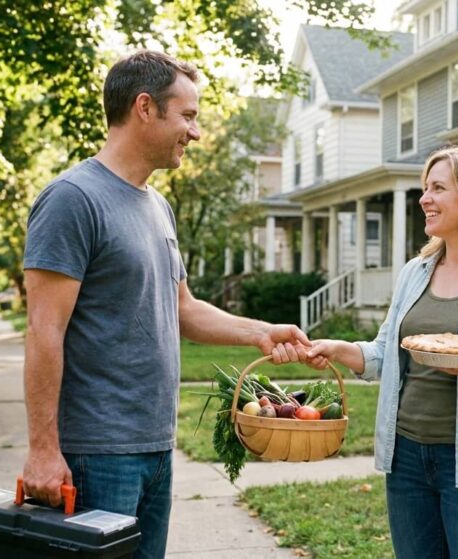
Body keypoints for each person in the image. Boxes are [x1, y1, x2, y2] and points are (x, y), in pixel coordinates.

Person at [21, 51, 310, 559]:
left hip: (155, 446)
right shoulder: (73, 199)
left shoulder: (157, 206)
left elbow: (183, 308)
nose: (195, 133)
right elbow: (44, 330)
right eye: (188, 116)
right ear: (145, 108)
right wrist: (43, 449)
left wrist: (261, 332)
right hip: (96, 452)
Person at [305, 146, 458, 559]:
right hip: (406, 457)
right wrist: (337, 349)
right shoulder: (414, 272)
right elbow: (386, 353)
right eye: (425, 188)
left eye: (438, 188)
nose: (424, 199)